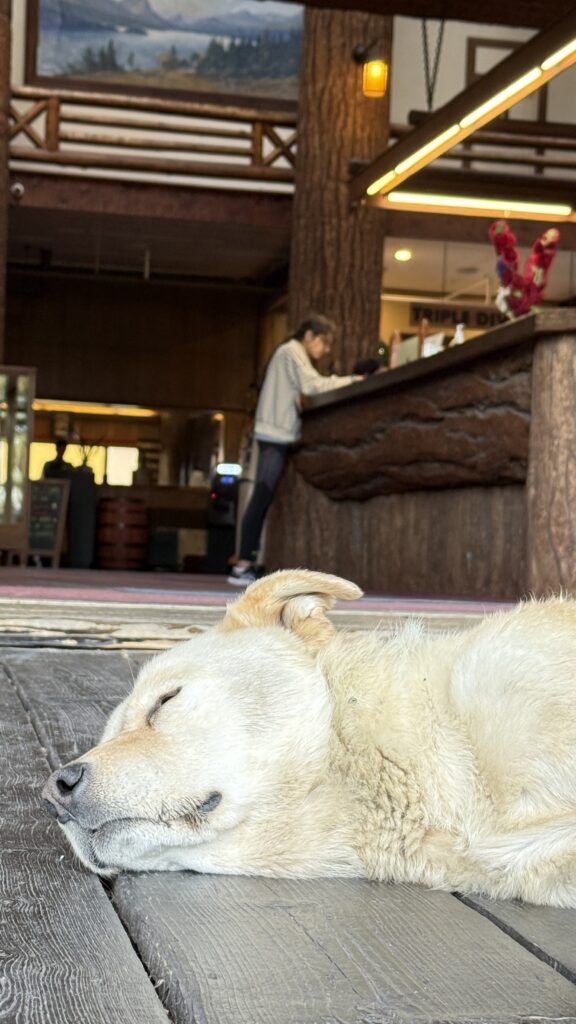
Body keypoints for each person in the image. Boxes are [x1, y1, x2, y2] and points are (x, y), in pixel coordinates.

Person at [228, 314, 362, 586]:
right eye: (324, 343)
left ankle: (245, 563)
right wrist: (353, 380)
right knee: (262, 495)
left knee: (262, 496)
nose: (325, 350)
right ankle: (242, 564)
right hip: (274, 434)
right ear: (310, 336)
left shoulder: (288, 353)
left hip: (274, 431)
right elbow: (313, 384)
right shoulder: (292, 352)